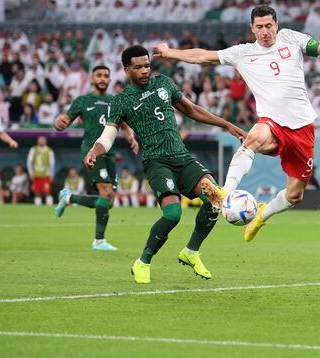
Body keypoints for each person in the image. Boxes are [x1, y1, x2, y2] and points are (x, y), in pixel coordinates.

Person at [153, 4, 320, 243]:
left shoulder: (291, 38)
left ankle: (263, 215)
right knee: (253, 138)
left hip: (302, 127)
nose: (265, 31)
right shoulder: (242, 52)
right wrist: (170, 52)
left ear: (277, 25)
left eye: (269, 26)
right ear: (252, 29)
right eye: (260, 27)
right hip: (272, 123)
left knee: (295, 196)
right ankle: (225, 192)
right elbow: (203, 56)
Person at [85, 45, 246, 284]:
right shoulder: (121, 101)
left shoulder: (163, 84)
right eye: (138, 67)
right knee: (173, 214)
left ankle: (191, 252)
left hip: (182, 158)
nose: (144, 71)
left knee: (215, 199)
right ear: (127, 69)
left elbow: (191, 110)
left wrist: (227, 125)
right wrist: (94, 150)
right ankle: (143, 262)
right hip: (157, 162)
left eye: (147, 65)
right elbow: (108, 135)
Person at [54, 65, 139, 251]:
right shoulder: (82, 101)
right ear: (92, 79)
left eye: (106, 76)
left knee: (108, 201)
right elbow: (65, 120)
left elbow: (123, 123)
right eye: (98, 75)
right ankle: (99, 241)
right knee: (106, 193)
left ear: (109, 80)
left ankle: (69, 198)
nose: (102, 78)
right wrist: (59, 123)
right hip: (91, 150)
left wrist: (131, 137)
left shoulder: (115, 101)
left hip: (110, 152)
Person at [27, 136, 55, 206]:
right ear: (37, 141)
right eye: (40, 140)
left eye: (43, 140)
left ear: (46, 141)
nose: (41, 142)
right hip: (36, 174)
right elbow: (29, 162)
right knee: (36, 192)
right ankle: (38, 208)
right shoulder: (33, 149)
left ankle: (49, 206)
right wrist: (31, 173)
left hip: (46, 175)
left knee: (47, 191)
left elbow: (52, 164)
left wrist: (51, 175)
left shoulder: (49, 151)